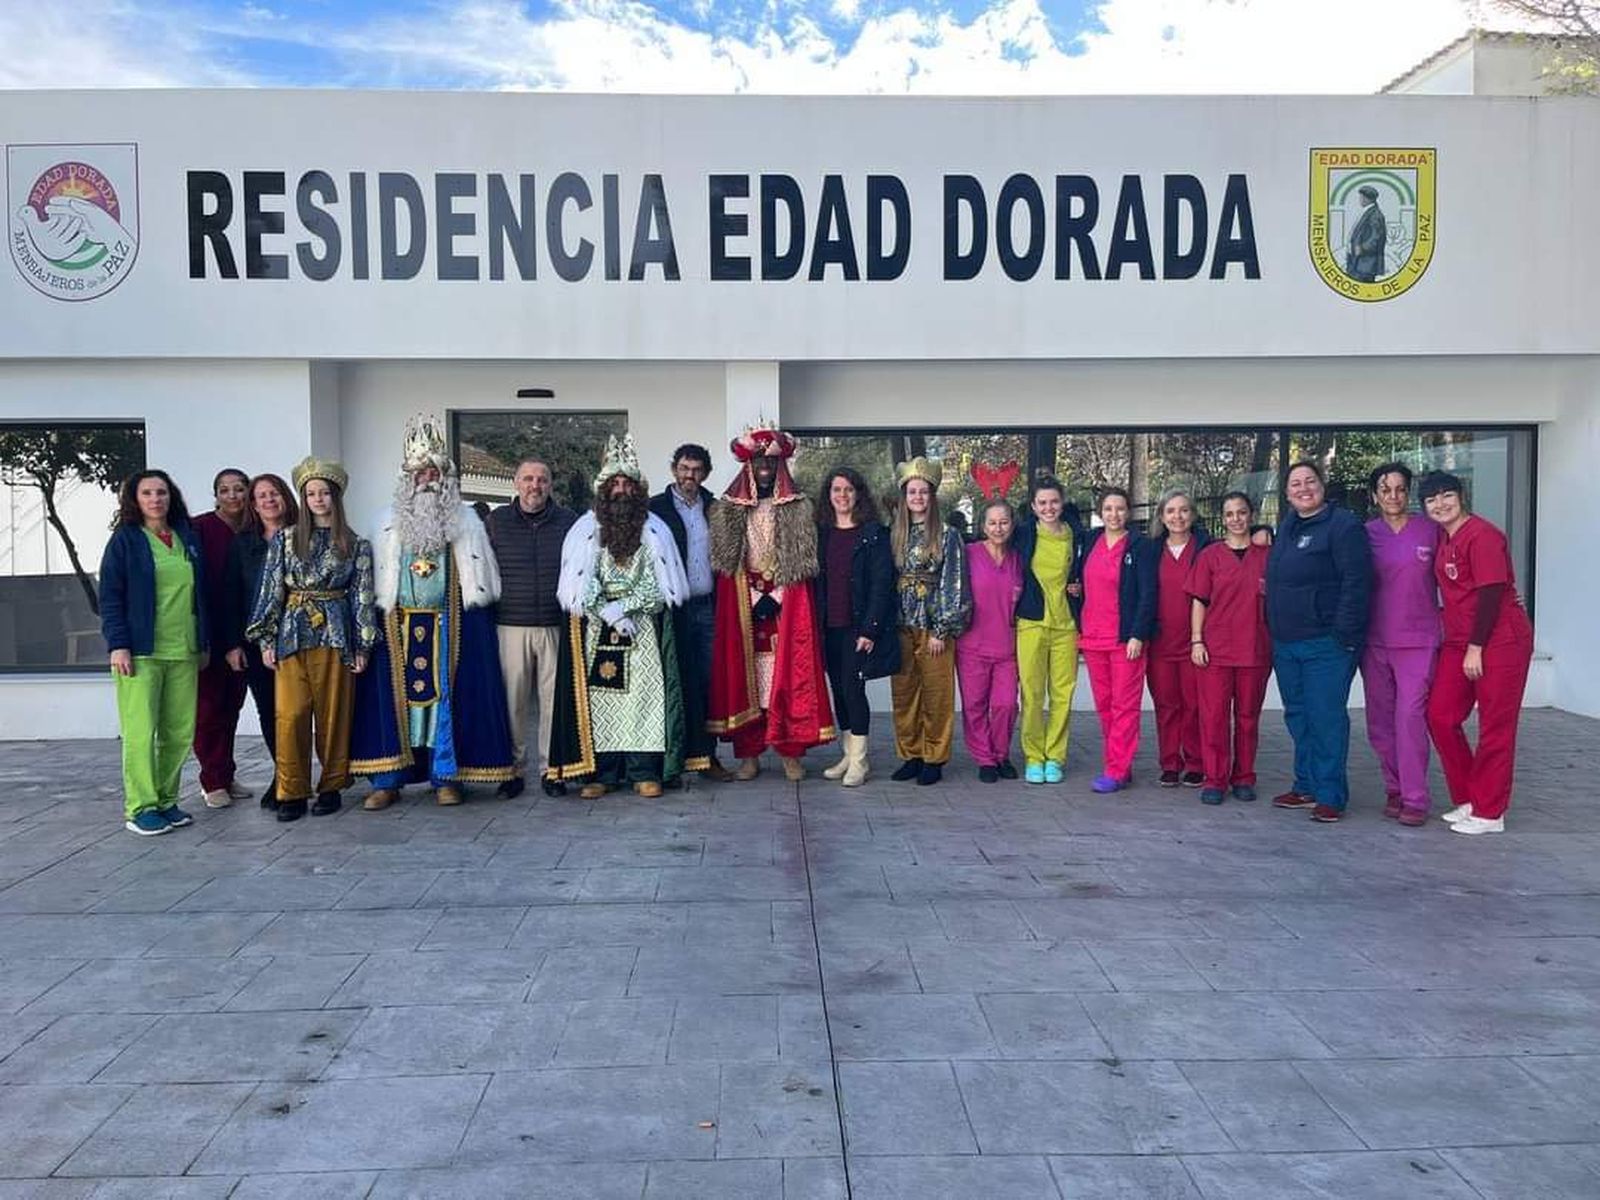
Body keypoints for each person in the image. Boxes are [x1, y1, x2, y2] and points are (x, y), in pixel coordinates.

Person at [350, 414, 517, 808]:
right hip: (398, 629)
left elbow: (480, 581)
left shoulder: (467, 523)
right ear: (407, 479)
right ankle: (387, 780)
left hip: (448, 628)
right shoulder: (385, 524)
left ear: (445, 477)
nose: (426, 480)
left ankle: (447, 777)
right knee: (395, 707)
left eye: (432, 472)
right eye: (419, 473)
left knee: (448, 705)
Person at [546, 434, 689, 798]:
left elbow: (662, 584)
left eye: (627, 483)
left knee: (644, 699)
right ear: (604, 490)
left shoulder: (656, 531)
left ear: (638, 490)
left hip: (641, 630)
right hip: (598, 630)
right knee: (600, 701)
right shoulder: (584, 531)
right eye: (615, 484)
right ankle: (602, 775)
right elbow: (579, 582)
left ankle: (644, 771)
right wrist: (607, 610)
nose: (621, 490)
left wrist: (627, 608)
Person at [247, 458, 375, 822]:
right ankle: (291, 790)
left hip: (336, 635)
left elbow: (362, 595)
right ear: (303, 499)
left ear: (335, 497)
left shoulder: (355, 543)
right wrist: (266, 638)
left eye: (324, 493)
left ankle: (332, 785)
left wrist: (363, 644)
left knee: (334, 715)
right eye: (312, 493)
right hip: (291, 634)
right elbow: (271, 588)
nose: (318, 499)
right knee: (290, 715)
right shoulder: (286, 539)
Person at [707, 424, 835, 781]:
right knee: (745, 678)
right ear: (749, 468)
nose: (765, 471)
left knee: (785, 678)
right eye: (759, 464)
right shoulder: (728, 510)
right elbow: (727, 565)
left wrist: (775, 597)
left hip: (784, 604)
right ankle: (749, 755)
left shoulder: (797, 508)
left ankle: (789, 753)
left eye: (770, 465)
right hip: (744, 606)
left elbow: (802, 564)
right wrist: (752, 597)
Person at [1421, 472, 1534, 836]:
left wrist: (1476, 647)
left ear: (1461, 496)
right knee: (1440, 715)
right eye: (1431, 500)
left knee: (1495, 727)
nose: (1440, 504)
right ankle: (1471, 796)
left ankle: (1490, 812)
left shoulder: (1483, 535)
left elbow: (1490, 594)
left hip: (1498, 640)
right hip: (1458, 640)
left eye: (1447, 496)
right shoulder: (1444, 536)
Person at [100, 469, 208, 836]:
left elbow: (200, 597)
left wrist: (204, 642)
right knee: (141, 731)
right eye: (147, 493)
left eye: (161, 492)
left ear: (171, 497)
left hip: (184, 650)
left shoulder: (185, 539)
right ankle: (141, 806)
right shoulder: (126, 541)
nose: (155, 499)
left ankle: (166, 800)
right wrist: (118, 645)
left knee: (178, 731)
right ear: (134, 499)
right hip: (141, 652)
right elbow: (110, 597)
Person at [1266, 460, 1372, 823]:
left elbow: (1357, 583)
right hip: (1287, 643)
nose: (1303, 488)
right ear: (1287, 493)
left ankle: (1330, 795)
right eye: (1295, 484)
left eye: (1310, 481)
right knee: (1298, 716)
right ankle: (1306, 785)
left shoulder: (1342, 527)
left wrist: (1343, 634)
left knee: (1325, 718)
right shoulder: (1289, 525)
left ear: (1322, 486)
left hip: (1325, 643)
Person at [487, 457, 579, 798]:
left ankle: (551, 770)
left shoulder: (569, 522)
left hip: (555, 624)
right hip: (510, 623)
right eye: (527, 479)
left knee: (554, 703)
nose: (534, 486)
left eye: (541, 480)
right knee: (512, 702)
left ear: (550, 485)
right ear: (516, 484)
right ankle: (511, 770)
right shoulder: (495, 523)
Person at [1361, 462, 1442, 827]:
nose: (1393, 496)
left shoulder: (1431, 531)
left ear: (1407, 493)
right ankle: (1394, 788)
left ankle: (1415, 797)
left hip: (1419, 640)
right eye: (1385, 489)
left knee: (1409, 718)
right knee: (1380, 721)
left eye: (1399, 489)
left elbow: (1460, 573)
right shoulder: (1364, 534)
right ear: (1374, 495)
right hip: (1374, 641)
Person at [649, 442, 732, 783]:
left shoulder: (716, 508)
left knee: (707, 684)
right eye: (685, 469)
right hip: (672, 610)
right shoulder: (654, 508)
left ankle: (706, 757)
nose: (690, 476)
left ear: (706, 473)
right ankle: (669, 759)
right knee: (672, 682)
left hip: (709, 609)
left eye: (697, 470)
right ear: (674, 470)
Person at [888, 458, 970, 786]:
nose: (918, 497)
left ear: (932, 496)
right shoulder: (895, 532)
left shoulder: (948, 535)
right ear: (904, 496)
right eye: (912, 491)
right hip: (901, 625)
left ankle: (934, 757)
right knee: (905, 692)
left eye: (923, 491)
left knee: (937, 693)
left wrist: (943, 628)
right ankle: (911, 753)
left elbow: (955, 582)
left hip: (933, 625)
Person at [814, 467, 898, 788]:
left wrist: (869, 630)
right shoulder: (822, 532)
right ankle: (848, 755)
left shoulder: (873, 533)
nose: (842, 496)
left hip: (857, 627)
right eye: (837, 490)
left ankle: (860, 760)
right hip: (828, 626)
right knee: (838, 691)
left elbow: (881, 584)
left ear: (858, 494)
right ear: (829, 495)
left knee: (853, 690)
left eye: (849, 490)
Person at [1187, 491, 1272, 806]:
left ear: (1251, 515)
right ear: (1222, 519)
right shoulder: (1210, 556)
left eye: (1241, 512)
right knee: (1214, 717)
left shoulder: (1267, 555)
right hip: (1215, 650)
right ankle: (1215, 779)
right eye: (1229, 514)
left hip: (1255, 649)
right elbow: (1199, 600)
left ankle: (1244, 777)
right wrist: (1197, 640)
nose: (1236, 519)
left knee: (1249, 718)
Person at [1071, 487, 1155, 794]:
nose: (1114, 514)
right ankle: (1119, 762)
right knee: (1105, 706)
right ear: (1099, 512)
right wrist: (1075, 591)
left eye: (1120, 509)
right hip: (1093, 637)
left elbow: (1148, 593)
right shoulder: (1090, 541)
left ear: (1129, 512)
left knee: (1125, 706)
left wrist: (1138, 634)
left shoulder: (1140, 545)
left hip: (1125, 640)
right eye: (1108, 509)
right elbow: (1078, 578)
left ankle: (1117, 770)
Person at [222, 473, 298, 809]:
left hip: (303, 638)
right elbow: (231, 596)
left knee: (301, 712)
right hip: (257, 644)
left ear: (285, 497)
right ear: (253, 505)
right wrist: (233, 643)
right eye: (261, 496)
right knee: (270, 711)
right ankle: (283, 776)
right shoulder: (242, 544)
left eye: (274, 494)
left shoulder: (306, 536)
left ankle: (312, 777)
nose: (268, 500)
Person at [190, 468, 254, 809]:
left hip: (245, 631)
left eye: (240, 488)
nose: (233, 496)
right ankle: (211, 780)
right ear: (215, 495)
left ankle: (226, 774)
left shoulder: (253, 529)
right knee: (209, 708)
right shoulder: (199, 528)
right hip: (211, 633)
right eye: (225, 490)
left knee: (233, 705)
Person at [1012, 477, 1081, 785]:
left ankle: (1055, 756)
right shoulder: (1024, 534)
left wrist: (1080, 586)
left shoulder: (1076, 535)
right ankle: (1033, 755)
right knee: (1031, 692)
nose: (1049, 507)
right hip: (1032, 622)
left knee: (1062, 694)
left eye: (1054, 501)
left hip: (1066, 623)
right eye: (1042, 503)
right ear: (1033, 507)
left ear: (1062, 503)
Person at [1143, 489, 1209, 787]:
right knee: (1166, 705)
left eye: (1184, 510)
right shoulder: (1151, 550)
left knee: (1194, 704)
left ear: (1193, 514)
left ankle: (1196, 762)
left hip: (1196, 641)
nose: (1177, 516)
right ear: (1161, 516)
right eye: (1170, 511)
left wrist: (1261, 533)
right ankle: (1170, 762)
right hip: (1160, 642)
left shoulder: (1206, 548)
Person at [958, 499, 1023, 783]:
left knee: (1006, 705)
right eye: (992, 522)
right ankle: (985, 759)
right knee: (974, 705)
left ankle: (1000, 754)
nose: (998, 528)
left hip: (1008, 647)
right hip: (972, 645)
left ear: (1012, 524)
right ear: (983, 526)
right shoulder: (968, 554)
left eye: (1004, 522)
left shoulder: (1020, 559)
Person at [1344, 184, 1387, 283]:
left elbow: (1376, 237)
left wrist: (1362, 248)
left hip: (1365, 263)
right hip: (1358, 261)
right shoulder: (1368, 212)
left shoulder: (1375, 214)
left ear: (1367, 199)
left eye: (1361, 197)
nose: (1360, 200)